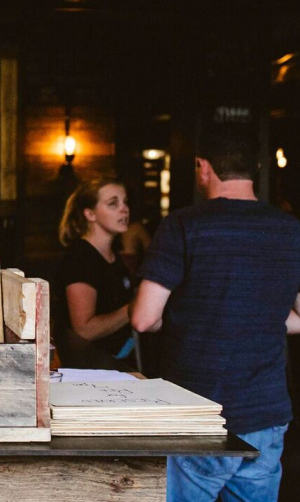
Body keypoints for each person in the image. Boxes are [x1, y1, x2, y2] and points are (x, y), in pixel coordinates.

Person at [130, 122, 300, 502]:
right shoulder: (291, 230)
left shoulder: (183, 225)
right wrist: (256, 315)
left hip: (198, 411)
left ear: (203, 167)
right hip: (266, 413)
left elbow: (143, 318)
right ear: (256, 168)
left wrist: (196, 312)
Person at [55, 177, 135, 369]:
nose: (124, 209)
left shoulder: (113, 256)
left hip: (114, 364)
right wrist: (134, 308)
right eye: (113, 203)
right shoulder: (80, 258)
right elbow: (84, 330)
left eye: (125, 202)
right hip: (89, 369)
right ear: (90, 214)